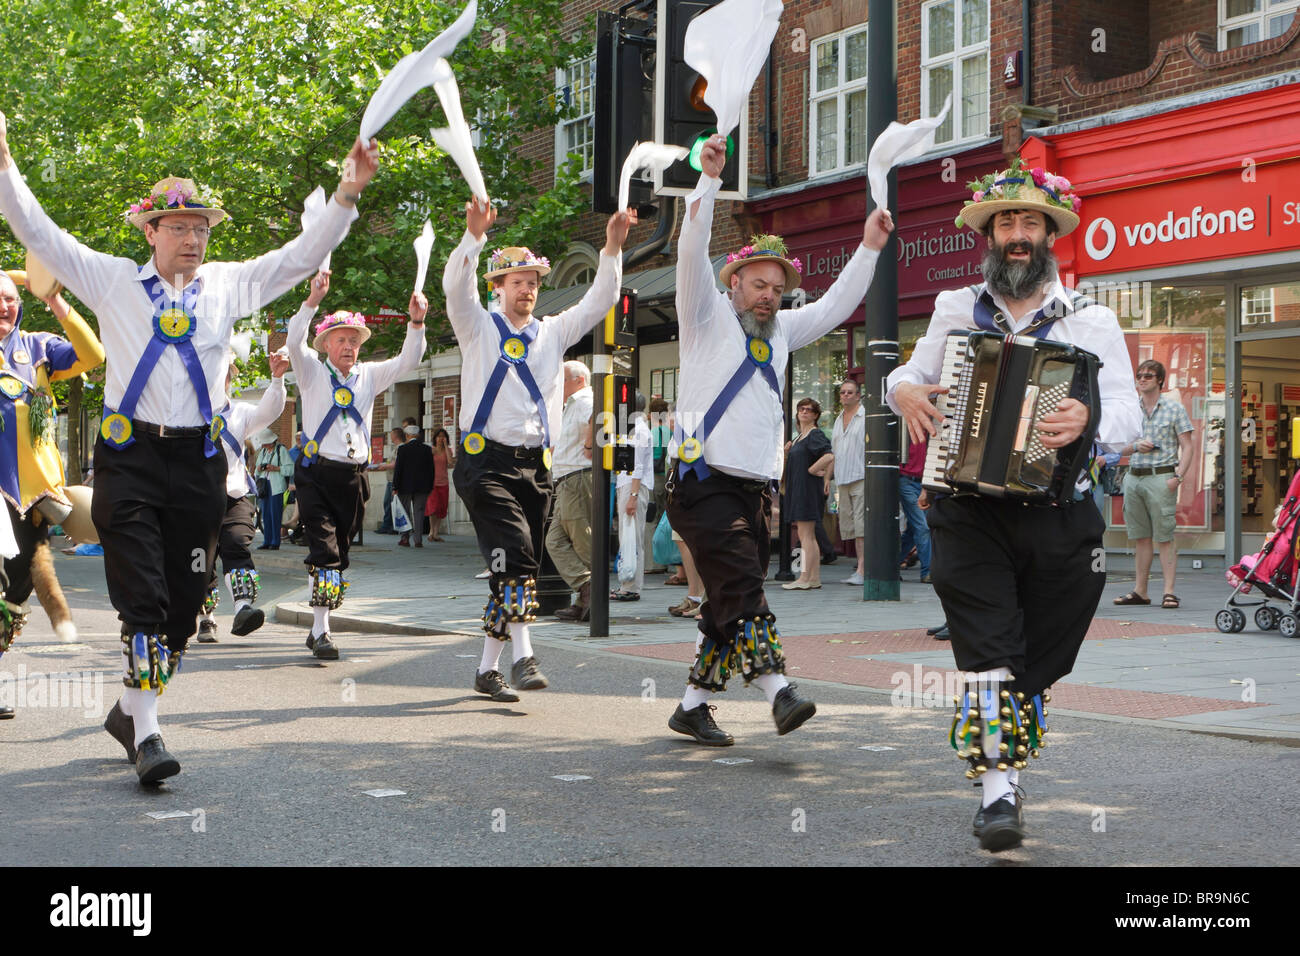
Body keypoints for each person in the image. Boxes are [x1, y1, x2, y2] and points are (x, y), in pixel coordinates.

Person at [0, 109, 379, 784]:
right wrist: (3, 161)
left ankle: (127, 709)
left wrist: (347, 196)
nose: (194, 238)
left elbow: (298, 257)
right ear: (151, 231)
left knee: (184, 601)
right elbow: (39, 233)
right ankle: (148, 735)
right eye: (180, 226)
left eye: (201, 228)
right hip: (132, 458)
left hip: (201, 462)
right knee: (143, 598)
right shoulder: (112, 279)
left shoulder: (230, 284)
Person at [886, 157, 1140, 851]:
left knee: (1039, 658)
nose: (1017, 233)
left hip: (1062, 515)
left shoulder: (1091, 319)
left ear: (1049, 235)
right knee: (988, 650)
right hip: (967, 510)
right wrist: (900, 389)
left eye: (1030, 221)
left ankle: (1008, 753)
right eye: (1005, 223)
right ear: (989, 237)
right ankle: (998, 793)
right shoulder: (952, 307)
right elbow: (914, 373)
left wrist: (1087, 419)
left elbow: (1129, 412)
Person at [665, 133, 892, 746]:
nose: (768, 295)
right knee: (743, 584)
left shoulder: (785, 330)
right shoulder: (705, 316)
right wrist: (707, 184)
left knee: (723, 603)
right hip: (698, 482)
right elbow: (690, 252)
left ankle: (691, 707)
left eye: (776, 287)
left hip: (749, 491)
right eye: (757, 284)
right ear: (733, 284)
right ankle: (778, 690)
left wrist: (869, 246)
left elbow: (841, 303)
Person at [444, 193, 634, 703]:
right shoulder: (477, 327)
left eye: (532, 282)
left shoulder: (553, 332)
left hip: (537, 467)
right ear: (498, 287)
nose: (526, 290)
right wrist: (474, 235)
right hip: (485, 463)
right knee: (522, 557)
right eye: (517, 282)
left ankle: (487, 669)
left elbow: (599, 302)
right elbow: (455, 289)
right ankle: (524, 657)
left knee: (511, 566)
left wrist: (612, 248)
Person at [287, 271, 427, 660]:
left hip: (352, 478)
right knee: (326, 551)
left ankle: (318, 625)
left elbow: (409, 361)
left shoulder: (369, 375)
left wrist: (416, 324)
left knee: (340, 552)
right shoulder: (312, 371)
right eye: (341, 340)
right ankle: (322, 630)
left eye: (354, 340)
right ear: (326, 344)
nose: (349, 346)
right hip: (315, 473)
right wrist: (312, 301)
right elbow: (293, 343)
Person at [0, 268, 104, 647]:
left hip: (31, 496)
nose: (4, 306)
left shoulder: (38, 348)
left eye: (11, 299)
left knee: (16, 588)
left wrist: (53, 298)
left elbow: (92, 355)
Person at [197, 353, 289, 642]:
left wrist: (277, 378)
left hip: (233, 498)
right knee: (200, 562)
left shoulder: (238, 412)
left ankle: (243, 608)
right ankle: (206, 617)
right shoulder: (186, 416)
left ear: (229, 377)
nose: (218, 378)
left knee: (237, 545)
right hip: (194, 502)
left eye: (223, 373)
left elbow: (269, 412)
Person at [1114, 359, 1194, 609]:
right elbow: (1117, 447)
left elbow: (1188, 446)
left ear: (1160, 380)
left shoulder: (1174, 409)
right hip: (1134, 476)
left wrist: (1178, 477)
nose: (1142, 379)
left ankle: (1169, 591)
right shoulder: (1131, 410)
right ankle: (1140, 591)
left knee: (1165, 537)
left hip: (1162, 476)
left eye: (1148, 376)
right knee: (1140, 537)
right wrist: (1136, 446)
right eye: (1139, 375)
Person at [548, 361, 594, 621]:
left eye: (563, 379)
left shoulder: (584, 398)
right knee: (555, 540)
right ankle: (585, 589)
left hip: (576, 477)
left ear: (579, 380)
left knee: (582, 540)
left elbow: (598, 416)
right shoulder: (570, 404)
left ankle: (589, 592)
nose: (558, 385)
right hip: (567, 477)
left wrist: (589, 445)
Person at [781, 397, 834, 590]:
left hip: (807, 490)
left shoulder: (814, 434)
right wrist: (787, 453)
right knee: (808, 535)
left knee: (805, 535)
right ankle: (813, 577)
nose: (804, 412)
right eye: (801, 409)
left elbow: (828, 454)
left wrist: (813, 470)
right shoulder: (799, 437)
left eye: (809, 410)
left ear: (816, 415)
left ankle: (804, 577)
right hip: (800, 489)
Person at [612, 391, 653, 601]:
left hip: (633, 486)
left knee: (632, 537)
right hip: (628, 485)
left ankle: (631, 586)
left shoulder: (639, 430)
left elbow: (637, 466)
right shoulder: (633, 428)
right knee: (629, 535)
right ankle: (628, 583)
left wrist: (633, 496)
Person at [828, 379, 866, 585]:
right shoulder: (838, 419)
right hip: (842, 478)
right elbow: (834, 453)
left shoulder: (866, 417)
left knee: (862, 527)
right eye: (842, 392)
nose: (845, 395)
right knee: (849, 527)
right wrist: (828, 478)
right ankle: (860, 568)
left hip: (861, 477)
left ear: (858, 395)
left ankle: (862, 569)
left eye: (850, 392)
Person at [393, 419, 434, 548]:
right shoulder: (426, 449)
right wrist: (430, 486)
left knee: (404, 512)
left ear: (407, 435)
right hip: (422, 487)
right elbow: (431, 470)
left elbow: (398, 469)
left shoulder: (403, 449)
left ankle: (405, 538)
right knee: (419, 512)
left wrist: (395, 486)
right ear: (417, 435)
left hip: (405, 486)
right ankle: (418, 540)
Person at [897, 436, 932, 583]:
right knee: (922, 527)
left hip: (922, 481)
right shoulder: (905, 422)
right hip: (906, 479)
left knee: (913, 529)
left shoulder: (930, 426)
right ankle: (927, 572)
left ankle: (890, 565)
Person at [253, 428, 293, 549]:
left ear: (271, 441)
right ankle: (267, 541)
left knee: (275, 514)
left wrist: (276, 468)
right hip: (265, 486)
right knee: (265, 514)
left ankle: (275, 542)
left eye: (265, 443)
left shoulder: (281, 450)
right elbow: (256, 470)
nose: (263, 445)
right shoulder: (263, 452)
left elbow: (291, 469)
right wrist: (259, 469)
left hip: (276, 487)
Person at [425, 427, 456, 542]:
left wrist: (446, 447)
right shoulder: (431, 450)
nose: (440, 438)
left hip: (444, 482)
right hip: (432, 483)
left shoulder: (448, 450)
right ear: (435, 438)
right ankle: (431, 532)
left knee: (441, 508)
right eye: (439, 436)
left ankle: (436, 533)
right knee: (432, 508)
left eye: (443, 436)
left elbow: (450, 462)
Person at [374, 426, 405, 533]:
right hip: (390, 480)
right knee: (388, 503)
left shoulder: (400, 448)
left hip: (394, 481)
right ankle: (388, 525)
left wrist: (384, 466)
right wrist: (383, 464)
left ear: (395, 435)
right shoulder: (396, 448)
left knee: (391, 503)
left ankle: (390, 526)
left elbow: (396, 464)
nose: (390, 436)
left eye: (391, 434)